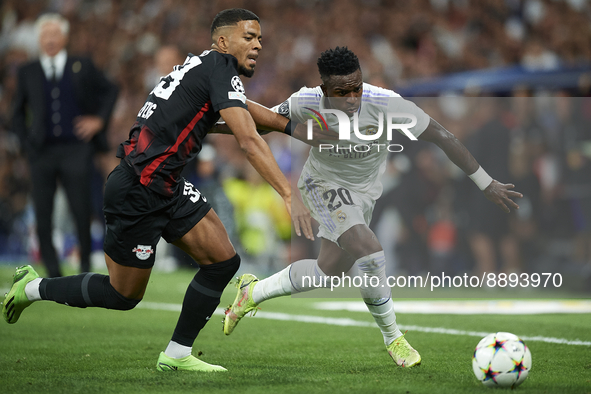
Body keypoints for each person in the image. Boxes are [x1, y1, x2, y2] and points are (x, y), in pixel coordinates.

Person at [2, 8, 307, 373]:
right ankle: (33, 288)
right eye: (249, 37)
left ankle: (176, 354)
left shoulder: (202, 68)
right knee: (122, 295)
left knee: (223, 260)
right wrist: (289, 194)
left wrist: (290, 126)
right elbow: (248, 140)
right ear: (223, 41)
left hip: (166, 185)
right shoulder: (218, 69)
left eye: (260, 38)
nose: (258, 44)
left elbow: (247, 114)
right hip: (138, 189)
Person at [221, 47, 522, 368]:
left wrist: (486, 182)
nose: (352, 98)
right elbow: (260, 119)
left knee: (326, 272)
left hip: (363, 195)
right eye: (342, 92)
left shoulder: (385, 103)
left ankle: (252, 292)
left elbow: (442, 136)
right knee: (369, 250)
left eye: (357, 88)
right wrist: (207, 125)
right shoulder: (305, 101)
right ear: (324, 90)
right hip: (321, 185)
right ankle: (394, 338)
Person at [11, 13, 119, 277]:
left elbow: (111, 90)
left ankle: (83, 268)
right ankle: (53, 272)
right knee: (43, 213)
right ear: (38, 39)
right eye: (44, 35)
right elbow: (16, 112)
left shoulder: (81, 64)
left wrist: (98, 121)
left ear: (65, 37)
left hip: (76, 149)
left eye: (54, 34)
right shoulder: (28, 71)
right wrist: (27, 144)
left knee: (81, 208)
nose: (49, 40)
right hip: (42, 152)